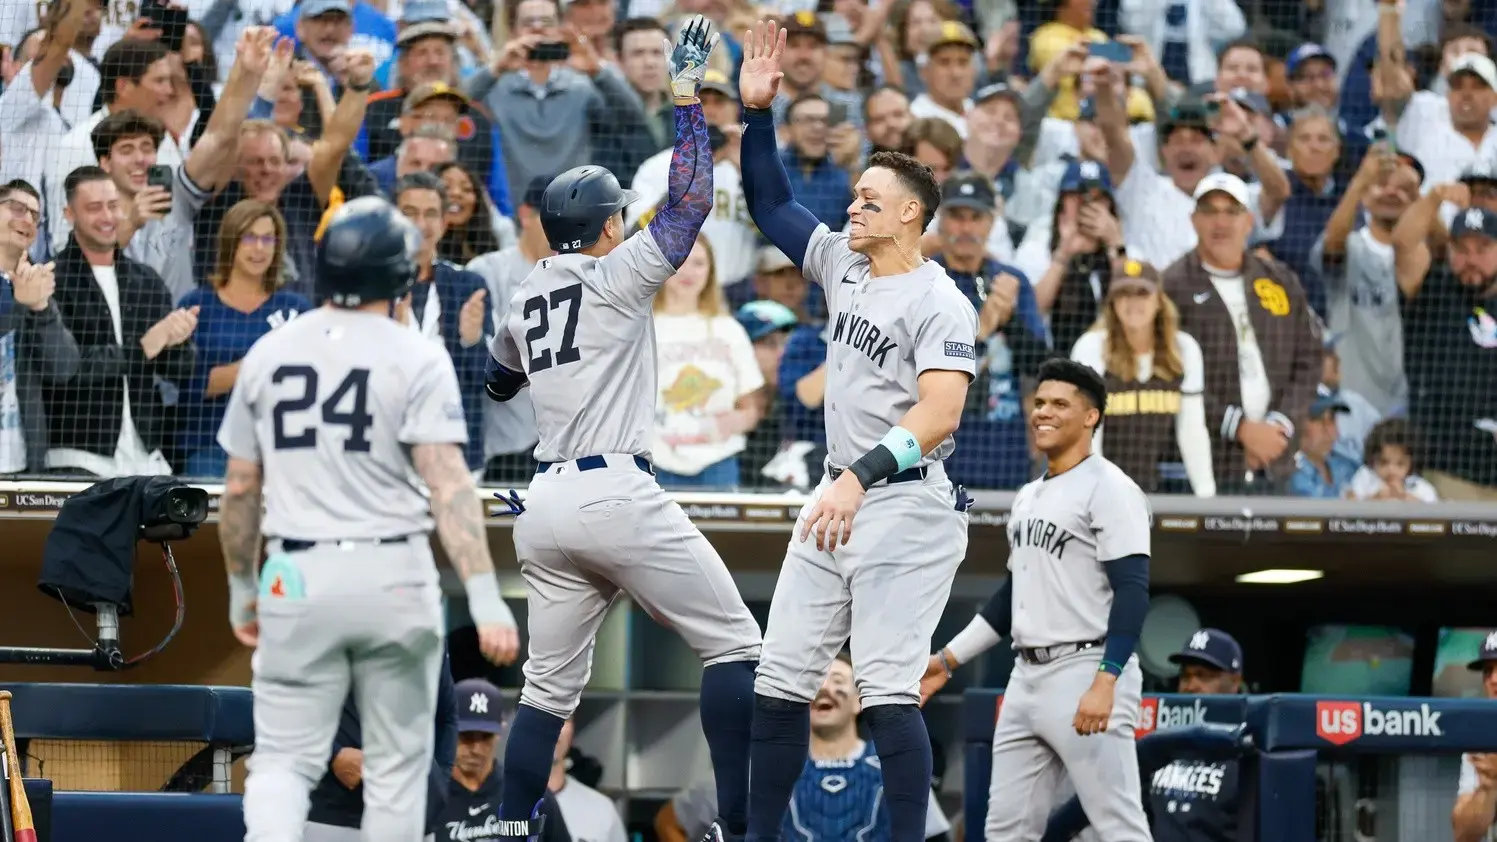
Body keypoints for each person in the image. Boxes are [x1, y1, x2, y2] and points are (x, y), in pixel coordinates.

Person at [484, 19, 763, 842]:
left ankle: (505, 827)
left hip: (544, 501)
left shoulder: (526, 289)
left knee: (545, 693)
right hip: (613, 489)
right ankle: (737, 825)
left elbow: (498, 378)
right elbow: (692, 201)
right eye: (617, 218)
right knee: (739, 649)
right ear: (607, 225)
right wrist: (685, 100)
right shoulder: (617, 273)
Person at [737, 20, 976, 842]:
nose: (854, 204)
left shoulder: (940, 300)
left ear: (912, 214)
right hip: (841, 493)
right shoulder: (842, 260)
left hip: (905, 503)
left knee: (883, 690)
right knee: (776, 685)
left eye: (871, 198)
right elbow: (770, 201)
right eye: (855, 194)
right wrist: (756, 115)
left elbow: (939, 414)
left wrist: (855, 477)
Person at [216, 195, 519, 842]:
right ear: (398, 276)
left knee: (283, 759)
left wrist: (242, 586)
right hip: (392, 569)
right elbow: (448, 484)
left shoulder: (270, 351)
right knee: (401, 766)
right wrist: (487, 596)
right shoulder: (415, 353)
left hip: (294, 570)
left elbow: (239, 489)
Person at [921, 358, 1151, 842]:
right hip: (1026, 676)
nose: (1043, 412)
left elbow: (1132, 589)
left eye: (1060, 404)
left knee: (1118, 824)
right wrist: (948, 658)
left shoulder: (1111, 488)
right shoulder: (1027, 495)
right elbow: (1012, 597)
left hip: (1086, 665)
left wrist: (1106, 680)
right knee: (1005, 829)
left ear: (1091, 416)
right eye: (1040, 402)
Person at [656, 652, 952, 842]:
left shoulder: (893, 767)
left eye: (838, 681)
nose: (824, 688)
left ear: (860, 699)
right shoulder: (762, 767)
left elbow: (937, 835)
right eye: (816, 682)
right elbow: (670, 820)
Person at [1040, 628, 1247, 842]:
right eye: (1186, 675)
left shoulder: (1245, 748)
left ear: (1235, 681)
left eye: (1204, 676)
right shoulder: (1162, 748)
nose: (1191, 685)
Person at [177, 200, 312, 479]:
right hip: (211, 449)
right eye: (250, 238)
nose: (259, 248)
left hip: (282, 450)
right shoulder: (196, 306)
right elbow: (188, 387)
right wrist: (259, 363)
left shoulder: (297, 309)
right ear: (231, 242)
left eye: (268, 238)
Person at [1070, 260, 1215, 496]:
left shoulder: (1184, 349)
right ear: (1113, 303)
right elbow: (1085, 435)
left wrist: (1206, 496)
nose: (1133, 302)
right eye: (1124, 294)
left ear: (1159, 301)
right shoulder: (1091, 348)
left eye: (1142, 293)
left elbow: (1192, 430)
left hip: (1151, 488)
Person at [305, 646, 458, 842]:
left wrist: (439, 780)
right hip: (335, 814)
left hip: (414, 816)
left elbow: (446, 715)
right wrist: (333, 754)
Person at [651, 235, 765, 489]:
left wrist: (738, 420)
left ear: (711, 271)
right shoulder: (642, 327)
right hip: (655, 463)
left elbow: (752, 407)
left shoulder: (729, 330)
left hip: (718, 465)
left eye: (699, 263)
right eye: (681, 261)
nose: (689, 272)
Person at [440, 679, 571, 842]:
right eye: (466, 736)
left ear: (500, 730)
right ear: (449, 729)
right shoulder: (431, 794)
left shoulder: (529, 791)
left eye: (485, 737)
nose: (476, 749)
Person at [1453, 633, 1497, 842]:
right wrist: (1489, 786)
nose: (1494, 679)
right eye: (1488, 671)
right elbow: (1463, 835)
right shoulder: (1480, 737)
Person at [1345, 418, 1440, 502]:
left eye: (1400, 464)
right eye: (1384, 462)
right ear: (1372, 460)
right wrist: (1375, 499)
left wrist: (1407, 499)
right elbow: (1350, 506)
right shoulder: (1365, 478)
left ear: (1411, 464)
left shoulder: (1420, 488)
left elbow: (1435, 514)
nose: (1391, 470)